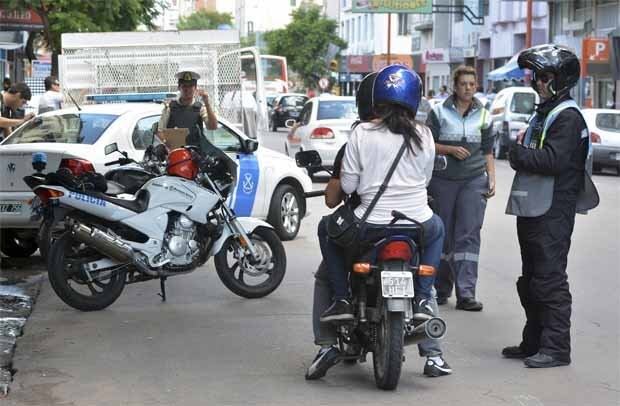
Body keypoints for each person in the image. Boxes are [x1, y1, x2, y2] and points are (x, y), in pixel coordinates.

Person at [306, 71, 451, 380]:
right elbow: (425, 181)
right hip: (416, 224)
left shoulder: (361, 133)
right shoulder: (424, 134)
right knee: (437, 230)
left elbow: (348, 184)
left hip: (369, 226)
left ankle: (342, 301)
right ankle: (425, 297)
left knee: (325, 230)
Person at [503, 44, 599, 368]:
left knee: (549, 280)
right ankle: (533, 342)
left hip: (552, 211)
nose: (536, 83)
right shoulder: (544, 112)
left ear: (560, 80)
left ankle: (557, 347)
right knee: (530, 279)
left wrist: (516, 155)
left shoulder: (567, 117)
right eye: (535, 76)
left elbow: (553, 160)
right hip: (534, 208)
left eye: (543, 77)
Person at [425, 65, 495, 311]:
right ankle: (441, 289)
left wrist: (492, 178)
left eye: (472, 84)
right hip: (443, 180)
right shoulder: (438, 112)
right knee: (442, 234)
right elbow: (427, 143)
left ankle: (466, 293)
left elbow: (488, 150)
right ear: (455, 87)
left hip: (474, 180)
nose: (468, 88)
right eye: (463, 84)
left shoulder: (484, 114)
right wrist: (449, 149)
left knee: (468, 235)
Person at [158, 69, 218, 148]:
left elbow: (212, 127)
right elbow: (160, 131)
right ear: (179, 88)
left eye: (190, 86)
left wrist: (207, 103)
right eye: (184, 86)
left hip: (195, 155)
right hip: (175, 155)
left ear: (195, 88)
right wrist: (167, 143)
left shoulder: (200, 108)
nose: (187, 89)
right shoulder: (169, 107)